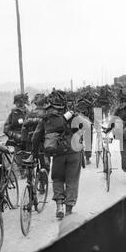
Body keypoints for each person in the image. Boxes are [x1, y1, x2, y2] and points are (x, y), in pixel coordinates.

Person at [32, 91, 83, 219]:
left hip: (57, 154)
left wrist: (33, 154)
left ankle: (59, 205)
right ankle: (69, 209)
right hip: (74, 152)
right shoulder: (73, 114)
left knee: (58, 179)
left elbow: (35, 137)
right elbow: (83, 129)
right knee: (72, 180)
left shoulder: (46, 119)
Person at [21, 93, 50, 174]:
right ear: (45, 103)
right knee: (45, 161)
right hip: (45, 141)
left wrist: (23, 141)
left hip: (32, 142)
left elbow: (24, 127)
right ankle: (44, 179)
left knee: (31, 162)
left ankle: (30, 180)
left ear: (35, 103)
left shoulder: (30, 113)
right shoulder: (47, 113)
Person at [4, 93, 28, 179]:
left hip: (29, 140)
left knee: (30, 159)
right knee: (19, 159)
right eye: (17, 102)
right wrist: (15, 136)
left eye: (21, 102)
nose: (19, 104)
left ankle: (30, 175)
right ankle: (22, 173)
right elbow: (6, 129)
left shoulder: (28, 112)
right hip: (18, 141)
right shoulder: (13, 113)